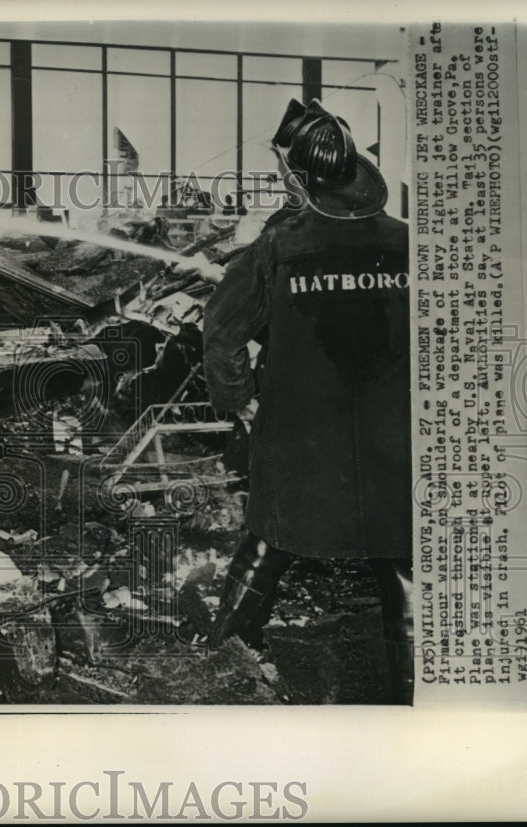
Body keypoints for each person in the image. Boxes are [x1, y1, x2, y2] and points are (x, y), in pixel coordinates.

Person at [202, 99, 414, 703]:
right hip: (392, 435)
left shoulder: (278, 247)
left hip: (299, 434)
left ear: (299, 181)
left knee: (268, 541)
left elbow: (218, 330)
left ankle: (220, 655)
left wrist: (238, 399)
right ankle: (413, 701)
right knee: (400, 563)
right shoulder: (411, 244)